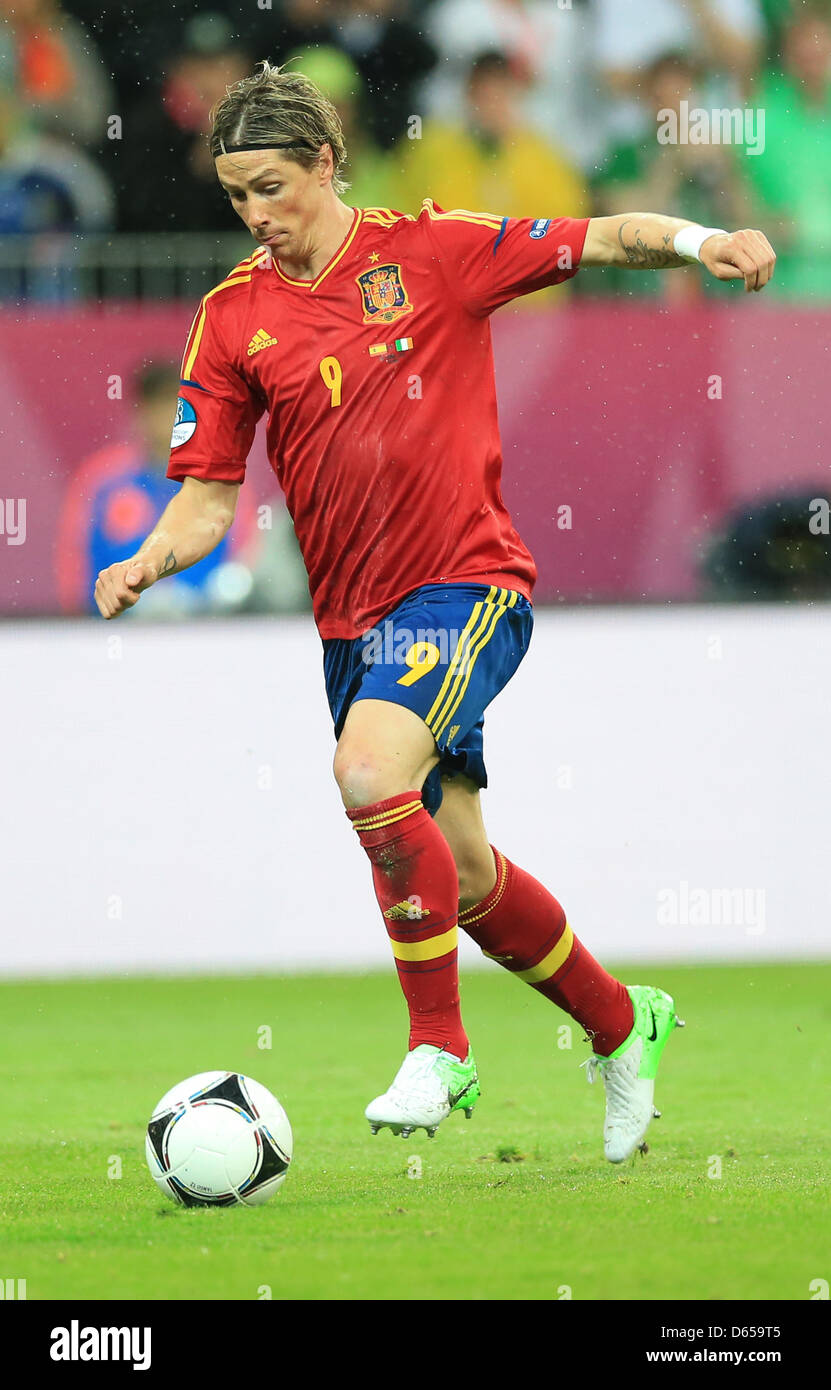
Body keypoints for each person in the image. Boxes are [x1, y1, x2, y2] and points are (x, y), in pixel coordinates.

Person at [93, 61, 776, 1161]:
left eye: (272, 186)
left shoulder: (433, 250)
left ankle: (439, 1047)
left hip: (465, 584)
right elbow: (207, 501)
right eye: (235, 198)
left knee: (367, 775)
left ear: (325, 161)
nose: (257, 216)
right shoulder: (232, 319)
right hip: (351, 625)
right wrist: (147, 560)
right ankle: (621, 1020)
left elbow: (601, 238)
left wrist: (702, 243)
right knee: (458, 877)